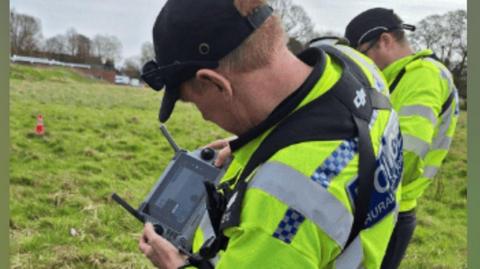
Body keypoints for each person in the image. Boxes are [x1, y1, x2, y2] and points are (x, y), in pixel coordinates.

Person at [138, 0, 403, 268]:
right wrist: (268, 140)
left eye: (195, 103)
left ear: (215, 83)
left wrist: (175, 265)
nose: (204, 115)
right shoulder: (356, 66)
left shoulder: (281, 209)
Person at [344, 8, 459, 269]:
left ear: (385, 40)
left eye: (363, 54)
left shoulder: (422, 76)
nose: (363, 64)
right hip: (384, 204)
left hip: (386, 209)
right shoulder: (399, 76)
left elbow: (405, 155)